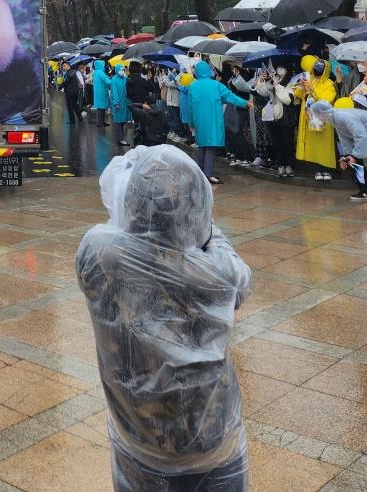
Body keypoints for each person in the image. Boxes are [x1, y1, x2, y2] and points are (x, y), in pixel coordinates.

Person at [76, 145, 251, 492]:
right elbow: (240, 283)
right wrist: (205, 226)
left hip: (136, 438)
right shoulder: (215, 272)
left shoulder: (98, 254)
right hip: (211, 441)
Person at [188, 60, 254, 184]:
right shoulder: (216, 85)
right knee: (211, 147)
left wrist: (191, 123)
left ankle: (201, 172)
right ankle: (209, 174)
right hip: (213, 120)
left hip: (199, 121)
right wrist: (245, 103)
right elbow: (230, 96)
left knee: (202, 146)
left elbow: (190, 107)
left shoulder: (192, 86)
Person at [309, 100, 367, 200]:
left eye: (315, 114)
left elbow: (361, 136)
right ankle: (366, 191)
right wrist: (346, 155)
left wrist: (354, 156)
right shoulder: (332, 118)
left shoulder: (342, 116)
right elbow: (344, 136)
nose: (314, 117)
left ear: (321, 113)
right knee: (354, 163)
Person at [293, 58, 337, 181]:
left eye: (319, 70)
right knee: (313, 145)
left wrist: (312, 91)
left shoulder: (329, 83)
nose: (316, 72)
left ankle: (327, 169)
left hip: (324, 118)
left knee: (324, 145)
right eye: (315, 69)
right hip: (310, 117)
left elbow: (327, 100)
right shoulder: (310, 80)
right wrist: (302, 87)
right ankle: (317, 169)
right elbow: (298, 94)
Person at [110, 63, 131, 146]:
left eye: (123, 69)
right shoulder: (114, 79)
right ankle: (121, 139)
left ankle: (121, 138)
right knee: (118, 121)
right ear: (116, 70)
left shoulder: (125, 78)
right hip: (118, 104)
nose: (122, 71)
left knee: (123, 121)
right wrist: (116, 103)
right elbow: (114, 92)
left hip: (125, 103)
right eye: (120, 69)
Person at [92, 60, 111, 127]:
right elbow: (108, 82)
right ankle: (100, 123)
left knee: (100, 108)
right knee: (101, 109)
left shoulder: (95, 72)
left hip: (97, 93)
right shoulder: (101, 73)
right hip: (102, 92)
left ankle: (101, 122)